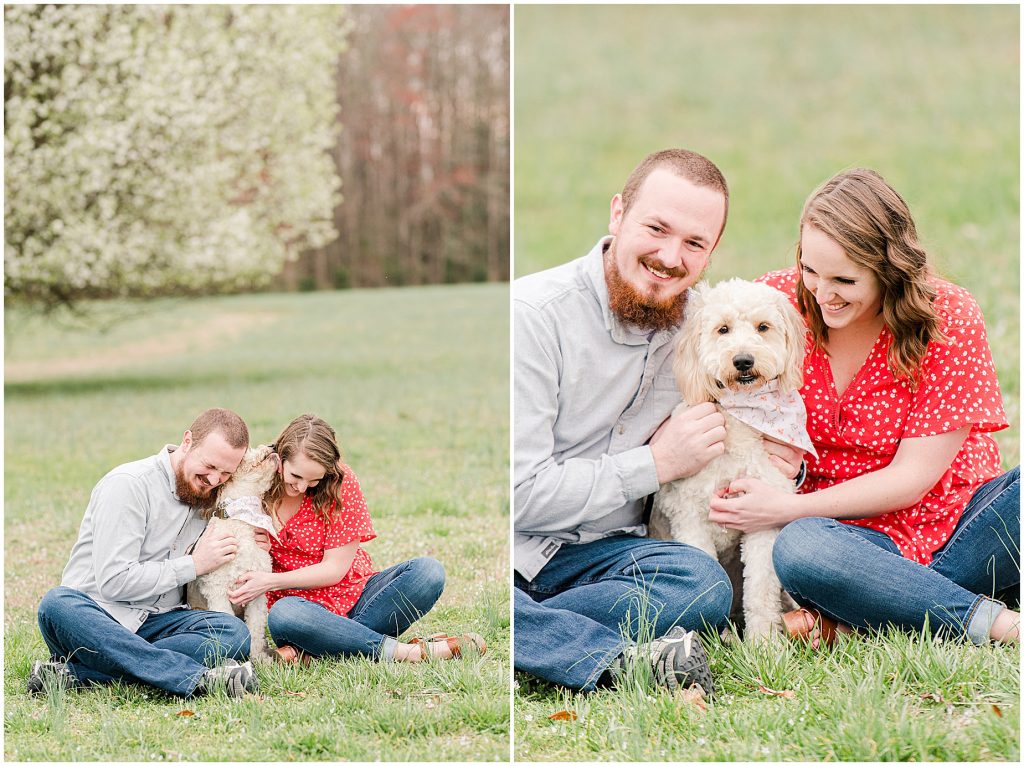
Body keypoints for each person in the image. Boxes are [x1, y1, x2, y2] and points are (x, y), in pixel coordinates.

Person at [513, 148, 804, 693]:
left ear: (711, 254)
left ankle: (529, 628)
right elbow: (519, 495)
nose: (671, 257)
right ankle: (610, 655)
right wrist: (655, 463)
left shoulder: (708, 327)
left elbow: (762, 403)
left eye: (694, 243)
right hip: (526, 549)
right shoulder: (533, 317)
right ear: (618, 214)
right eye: (657, 228)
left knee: (703, 589)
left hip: (621, 556)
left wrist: (785, 465)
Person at [709, 168, 1020, 647]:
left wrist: (786, 506)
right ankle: (993, 622)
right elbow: (719, 380)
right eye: (810, 270)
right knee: (800, 549)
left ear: (890, 271)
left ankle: (868, 609)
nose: (821, 292)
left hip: (957, 525)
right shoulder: (776, 304)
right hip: (841, 540)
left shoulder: (949, 316)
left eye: (844, 280)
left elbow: (911, 479)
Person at [31, 408, 260, 698]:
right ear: (187, 441)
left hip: (157, 621)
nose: (214, 480)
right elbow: (114, 581)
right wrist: (194, 564)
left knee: (233, 634)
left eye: (226, 473)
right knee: (56, 604)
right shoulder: (129, 485)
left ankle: (79, 675)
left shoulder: (209, 496)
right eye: (210, 466)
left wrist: (253, 540)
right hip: (97, 619)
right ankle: (198, 679)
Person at [225, 414, 485, 662]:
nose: (302, 487)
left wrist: (270, 581)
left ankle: (318, 651)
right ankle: (409, 653)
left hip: (357, 595)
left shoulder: (341, 482)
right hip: (302, 609)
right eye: (296, 476)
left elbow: (334, 570)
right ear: (280, 459)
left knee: (428, 572)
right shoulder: (256, 483)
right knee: (284, 614)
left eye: (314, 480)